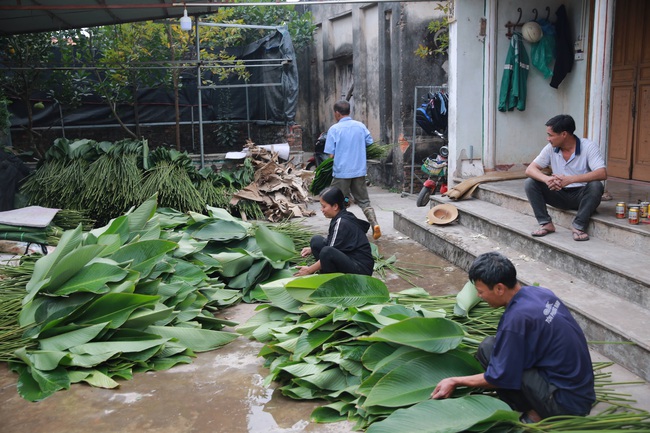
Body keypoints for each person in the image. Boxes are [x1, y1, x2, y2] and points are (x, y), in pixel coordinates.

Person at [431, 252, 596, 423]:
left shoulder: (516, 319)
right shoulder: (539, 292)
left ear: (499, 288)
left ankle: (536, 413)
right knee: (490, 346)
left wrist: (455, 380)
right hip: (583, 391)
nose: (479, 296)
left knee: (489, 354)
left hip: (565, 404)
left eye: (481, 291)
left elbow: (498, 377)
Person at [524, 114, 607, 241]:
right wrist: (547, 179)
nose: (548, 139)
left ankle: (579, 226)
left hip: (582, 197)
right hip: (559, 194)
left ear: (564, 134)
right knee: (530, 183)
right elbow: (530, 169)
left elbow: (602, 173)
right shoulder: (550, 148)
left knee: (596, 185)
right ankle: (546, 223)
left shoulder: (589, 147)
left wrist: (570, 179)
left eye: (551, 135)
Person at [324, 100, 381, 240]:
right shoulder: (360, 126)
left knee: (336, 202)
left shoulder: (334, 129)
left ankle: (339, 231)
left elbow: (330, 154)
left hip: (341, 172)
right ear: (349, 111)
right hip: (359, 171)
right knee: (364, 201)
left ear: (337, 113)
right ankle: (374, 224)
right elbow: (369, 144)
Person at [294, 186, 374, 277]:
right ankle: (326, 273)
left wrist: (309, 270)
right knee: (316, 241)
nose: (321, 209)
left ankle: (333, 280)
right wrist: (312, 249)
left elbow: (329, 251)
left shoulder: (342, 222)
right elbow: (334, 241)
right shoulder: (340, 217)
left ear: (335, 206)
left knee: (327, 252)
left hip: (361, 269)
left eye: (324, 206)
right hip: (350, 258)